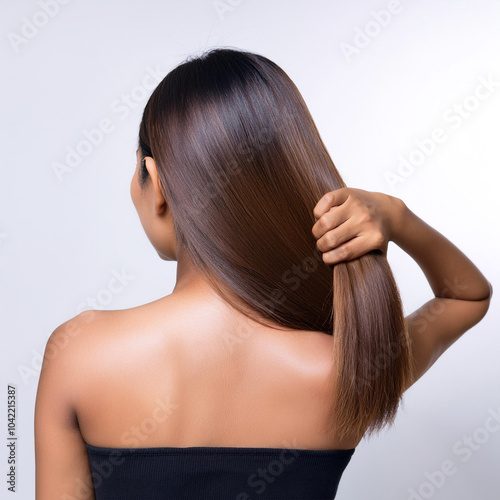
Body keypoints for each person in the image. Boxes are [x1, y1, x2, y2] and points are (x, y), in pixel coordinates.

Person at [34, 48, 492, 499]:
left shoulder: (79, 355)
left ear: (156, 182)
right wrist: (397, 216)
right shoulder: (351, 365)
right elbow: (466, 296)